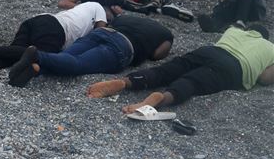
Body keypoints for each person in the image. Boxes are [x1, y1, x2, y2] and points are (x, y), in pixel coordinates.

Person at [88, 23, 274, 113]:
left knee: (166, 71)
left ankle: (125, 82)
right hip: (234, 67)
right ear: (264, 38)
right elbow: (264, 78)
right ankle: (160, 99)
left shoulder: (233, 30)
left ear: (249, 30)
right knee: (192, 82)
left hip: (210, 51)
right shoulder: (270, 47)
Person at [0, 0, 112, 77]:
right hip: (56, 30)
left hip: (38, 20)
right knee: (39, 55)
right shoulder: (97, 6)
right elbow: (100, 32)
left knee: (15, 55)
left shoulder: (78, 8)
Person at [4, 14, 174, 87]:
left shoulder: (128, 17)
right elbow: (157, 54)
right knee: (79, 64)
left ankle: (36, 69)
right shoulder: (165, 33)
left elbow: (108, 22)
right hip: (122, 47)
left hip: (102, 32)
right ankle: (37, 55)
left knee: (65, 57)